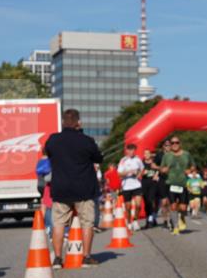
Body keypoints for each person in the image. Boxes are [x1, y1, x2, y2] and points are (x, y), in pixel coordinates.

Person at [44, 108, 104, 268]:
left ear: (63, 122)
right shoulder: (87, 140)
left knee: (58, 224)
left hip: (61, 188)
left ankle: (57, 259)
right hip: (84, 189)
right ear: (79, 123)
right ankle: (86, 256)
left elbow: (48, 153)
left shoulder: (53, 140)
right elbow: (99, 158)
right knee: (87, 223)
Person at [160, 136, 194, 234]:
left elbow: (193, 165)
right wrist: (163, 170)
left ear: (180, 144)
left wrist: (190, 170)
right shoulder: (167, 156)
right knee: (173, 206)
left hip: (183, 183)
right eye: (172, 143)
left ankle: (182, 216)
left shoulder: (187, 154)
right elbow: (161, 168)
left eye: (177, 143)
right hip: (170, 183)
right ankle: (175, 226)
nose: (174, 145)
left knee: (183, 208)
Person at [118, 143, 144, 232]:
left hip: (137, 185)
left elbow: (142, 169)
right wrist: (129, 172)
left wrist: (139, 175)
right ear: (127, 151)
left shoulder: (138, 159)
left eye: (133, 150)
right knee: (128, 207)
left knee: (138, 205)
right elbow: (119, 173)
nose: (132, 152)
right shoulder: (123, 160)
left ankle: (135, 221)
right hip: (126, 186)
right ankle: (129, 221)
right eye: (130, 150)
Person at [141, 149, 160, 228]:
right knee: (146, 203)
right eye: (145, 153)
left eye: (148, 153)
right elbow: (138, 173)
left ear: (150, 154)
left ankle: (152, 218)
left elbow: (160, 169)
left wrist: (157, 174)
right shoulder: (141, 163)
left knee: (151, 200)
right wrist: (142, 173)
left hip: (153, 184)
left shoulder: (154, 162)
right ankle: (149, 219)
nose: (146, 155)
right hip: (145, 184)